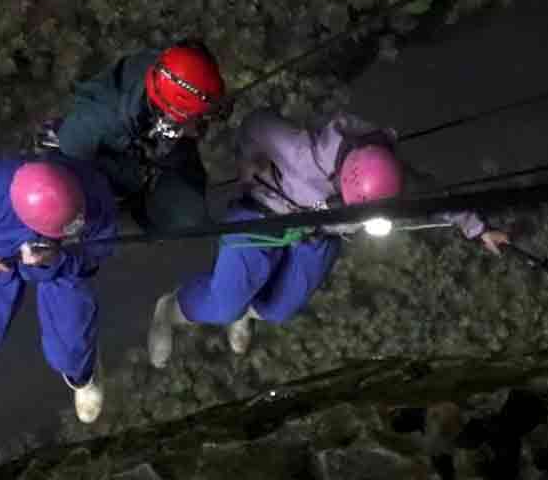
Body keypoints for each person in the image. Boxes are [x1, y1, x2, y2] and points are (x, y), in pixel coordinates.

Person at [146, 108, 509, 367]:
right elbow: (257, 123)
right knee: (226, 304)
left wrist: (478, 228)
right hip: (263, 211)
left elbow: (429, 197)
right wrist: (248, 161)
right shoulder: (305, 155)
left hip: (319, 231)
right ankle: (172, 309)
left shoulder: (391, 177)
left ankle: (246, 308)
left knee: (278, 308)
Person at [0, 154, 118, 423]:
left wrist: (58, 257)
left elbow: (99, 250)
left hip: (62, 261)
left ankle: (82, 375)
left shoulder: (94, 195)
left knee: (71, 341)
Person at [46, 40, 227, 235]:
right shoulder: (96, 121)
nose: (201, 127)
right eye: (198, 119)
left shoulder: (175, 68)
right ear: (173, 111)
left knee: (191, 215)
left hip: (150, 143)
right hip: (111, 161)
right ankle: (133, 204)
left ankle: (151, 208)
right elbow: (69, 162)